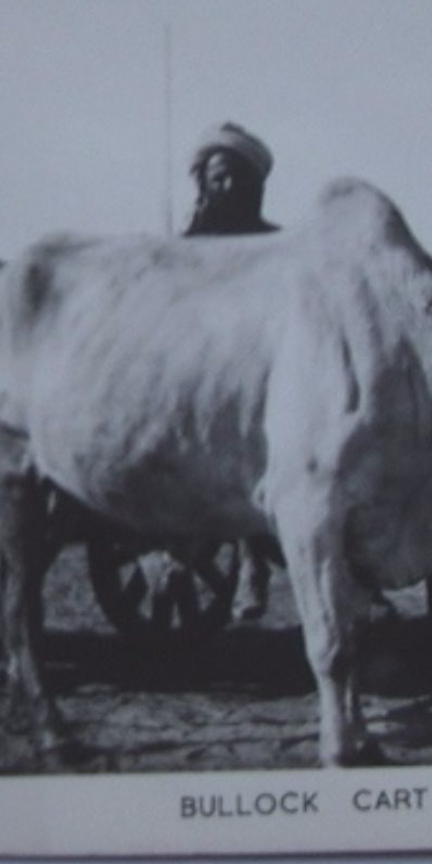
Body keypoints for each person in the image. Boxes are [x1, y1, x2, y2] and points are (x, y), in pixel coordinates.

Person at [183, 122, 278, 619]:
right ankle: (238, 559)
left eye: (238, 178)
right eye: (217, 178)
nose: (228, 188)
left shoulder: (279, 245)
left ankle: (253, 564)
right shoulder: (187, 250)